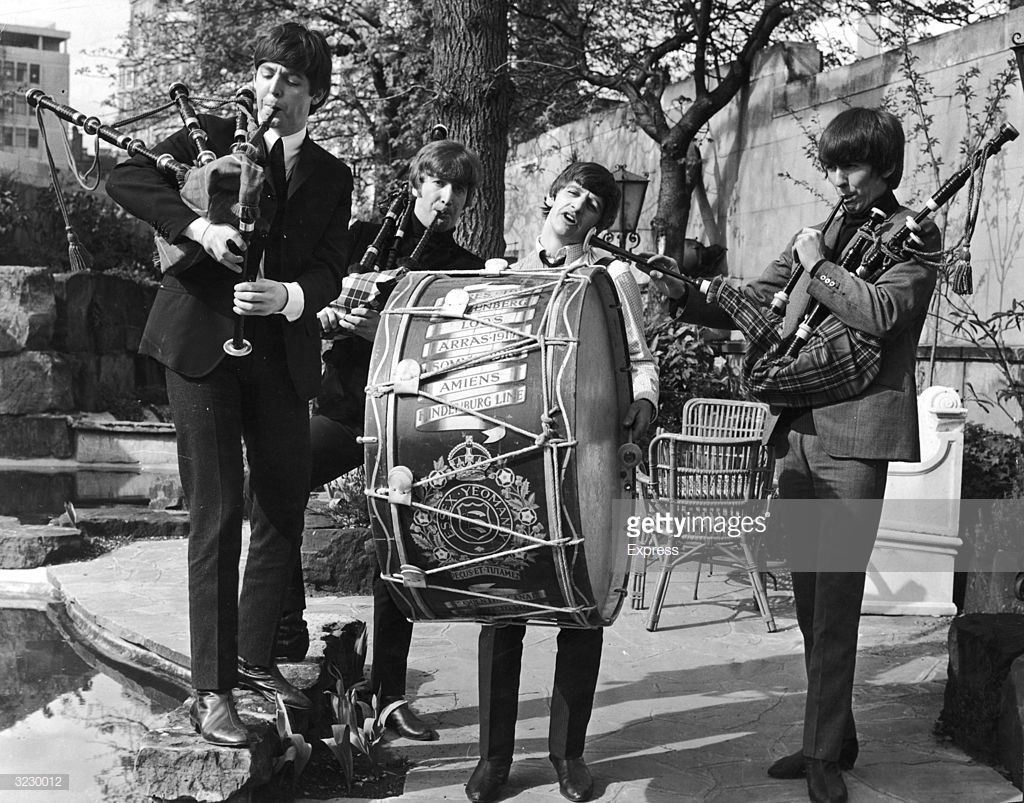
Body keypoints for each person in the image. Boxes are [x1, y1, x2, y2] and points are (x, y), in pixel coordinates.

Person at [647, 107, 939, 803]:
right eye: (832, 165)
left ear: (886, 167)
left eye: (852, 166)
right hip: (796, 435)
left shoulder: (916, 240)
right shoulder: (828, 229)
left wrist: (820, 266)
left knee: (836, 604)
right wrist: (687, 289)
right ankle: (832, 735)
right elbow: (761, 298)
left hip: (855, 439)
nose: (838, 178)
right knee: (811, 604)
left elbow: (882, 314)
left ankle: (821, 759)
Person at [107, 22, 353, 747]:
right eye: (268, 73)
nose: (273, 91)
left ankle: (253, 659)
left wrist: (290, 298)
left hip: (278, 354)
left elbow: (332, 266)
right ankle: (212, 691)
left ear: (317, 97)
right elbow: (122, 177)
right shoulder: (205, 134)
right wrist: (197, 229)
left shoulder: (334, 176)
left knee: (280, 504)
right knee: (215, 515)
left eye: (292, 82)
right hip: (198, 346)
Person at [275, 139, 485, 740]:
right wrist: (326, 314)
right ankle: (287, 638)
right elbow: (310, 292)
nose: (447, 198)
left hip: (407, 423)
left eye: (460, 190)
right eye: (438, 183)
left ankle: (388, 695)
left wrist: (381, 333)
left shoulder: (465, 268)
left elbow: (453, 355)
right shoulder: (365, 233)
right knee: (275, 482)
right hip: (346, 409)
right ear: (417, 182)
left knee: (399, 547)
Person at [466, 162, 658, 803]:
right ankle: (494, 760)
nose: (580, 206)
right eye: (573, 193)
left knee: (582, 606)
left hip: (590, 457)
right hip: (513, 458)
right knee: (504, 603)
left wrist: (646, 403)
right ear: (551, 198)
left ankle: (567, 756)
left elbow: (640, 358)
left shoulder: (612, 278)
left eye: (595, 204)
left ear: (600, 220)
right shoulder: (501, 276)